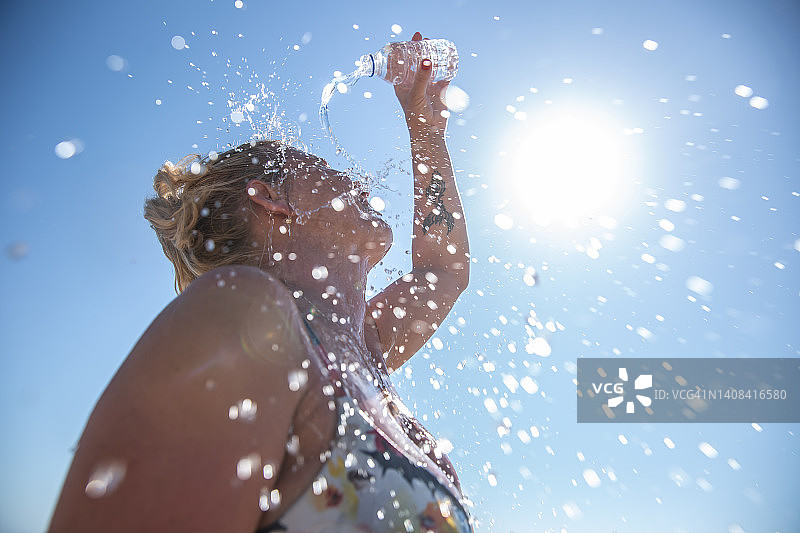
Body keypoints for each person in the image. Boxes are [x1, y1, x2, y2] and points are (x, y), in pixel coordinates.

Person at [49, 31, 471, 532]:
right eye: (323, 167)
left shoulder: (363, 349)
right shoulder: (249, 320)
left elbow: (441, 272)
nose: (356, 181)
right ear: (271, 198)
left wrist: (424, 127)